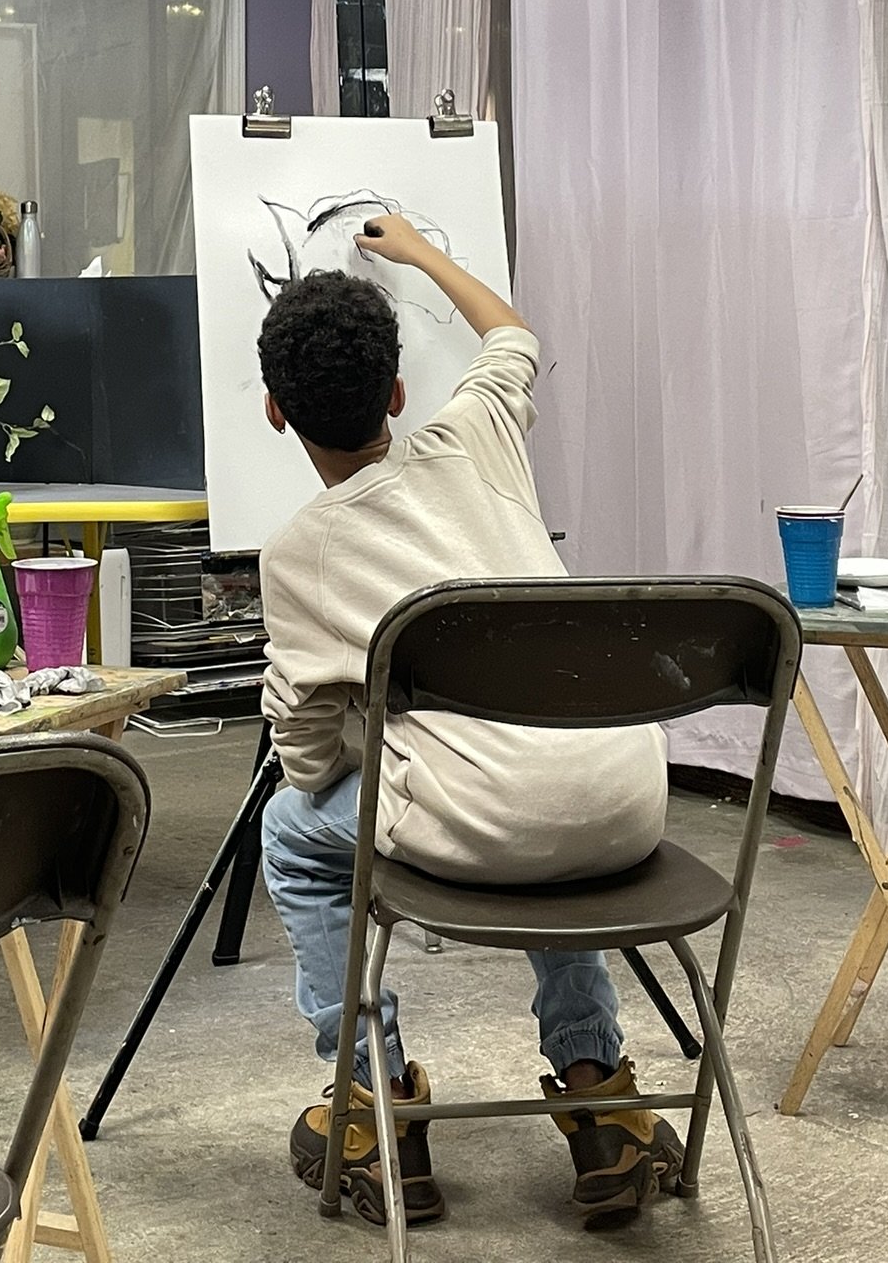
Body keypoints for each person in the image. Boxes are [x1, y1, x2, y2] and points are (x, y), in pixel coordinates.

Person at [256, 215, 679, 1231]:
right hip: (626, 806)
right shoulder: (480, 434)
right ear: (401, 393)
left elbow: (308, 758)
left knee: (293, 835)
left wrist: (373, 725)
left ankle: (375, 1103)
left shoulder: (301, 551)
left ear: (274, 413)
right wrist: (418, 251)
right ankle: (601, 1094)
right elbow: (513, 337)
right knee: (536, 788)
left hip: (487, 832)